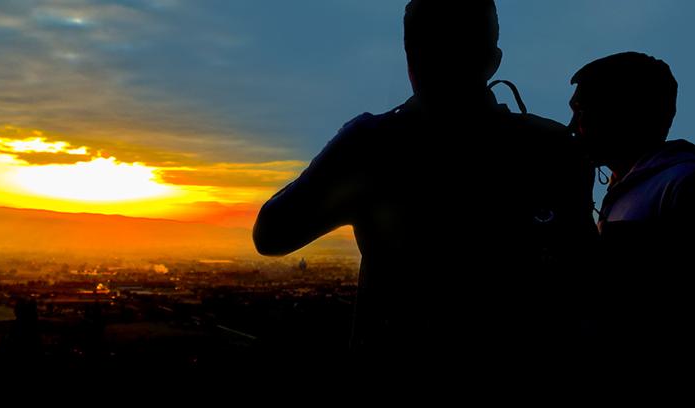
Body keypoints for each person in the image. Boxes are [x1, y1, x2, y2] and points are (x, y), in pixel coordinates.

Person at [253, 0, 597, 368]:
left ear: (410, 61)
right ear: (493, 61)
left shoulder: (372, 144)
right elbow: (587, 279)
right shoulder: (554, 146)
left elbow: (271, 234)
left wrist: (346, 152)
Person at [568, 52, 695, 352]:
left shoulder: (692, 187)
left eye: (582, 111)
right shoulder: (630, 187)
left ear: (625, 112)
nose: (573, 126)